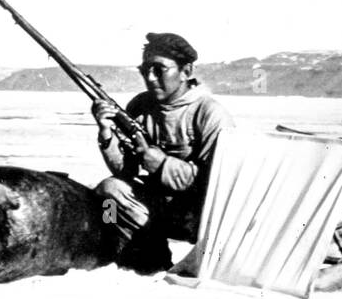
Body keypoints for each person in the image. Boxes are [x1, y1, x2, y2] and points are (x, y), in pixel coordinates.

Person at [92, 32, 235, 273]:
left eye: (159, 69)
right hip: (157, 208)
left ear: (186, 71)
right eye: (145, 70)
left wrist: (161, 165)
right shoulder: (140, 107)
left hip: (198, 215)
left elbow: (222, 183)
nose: (150, 78)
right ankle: (123, 250)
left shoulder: (210, 114)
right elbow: (125, 172)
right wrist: (106, 134)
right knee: (108, 192)